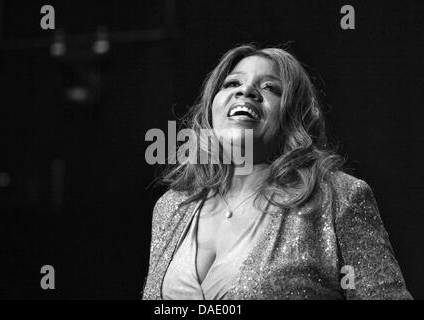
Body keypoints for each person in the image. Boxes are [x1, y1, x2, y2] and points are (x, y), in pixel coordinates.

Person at [142, 44, 412, 300]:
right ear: (211, 108)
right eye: (232, 83)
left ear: (294, 116)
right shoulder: (172, 207)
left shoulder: (338, 197)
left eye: (270, 87)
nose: (246, 90)